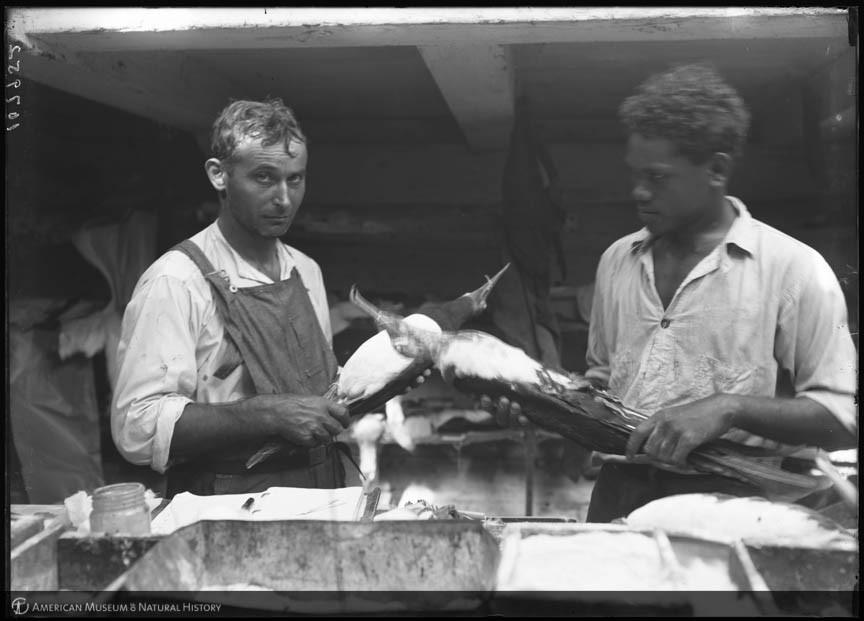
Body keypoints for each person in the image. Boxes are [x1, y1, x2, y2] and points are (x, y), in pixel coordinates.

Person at [489, 63, 857, 522]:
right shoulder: (616, 262)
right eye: (635, 174)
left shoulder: (794, 270)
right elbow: (605, 385)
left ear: (716, 169)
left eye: (659, 177)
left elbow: (844, 417)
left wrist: (729, 408)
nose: (639, 192)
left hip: (730, 506)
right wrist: (544, 409)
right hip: (618, 497)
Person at [113, 99, 383, 496]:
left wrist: (389, 378)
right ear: (219, 175)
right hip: (226, 507)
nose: (284, 199)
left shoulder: (305, 271)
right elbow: (136, 427)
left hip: (321, 495)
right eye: (264, 178)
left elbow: (320, 394)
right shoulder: (176, 280)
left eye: (295, 179)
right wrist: (266, 414)